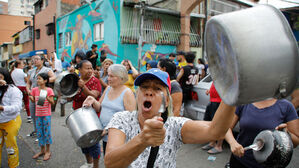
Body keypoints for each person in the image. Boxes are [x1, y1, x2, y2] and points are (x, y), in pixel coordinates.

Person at [102, 68, 236, 167]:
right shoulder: (122, 119)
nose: (149, 92)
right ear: (137, 95)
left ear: (166, 101)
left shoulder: (174, 126)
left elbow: (215, 131)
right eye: (144, 87)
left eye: (157, 89)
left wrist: (232, 93)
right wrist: (142, 140)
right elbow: (110, 163)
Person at [225, 98, 299, 168]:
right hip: (241, 161)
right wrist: (233, 143)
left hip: (271, 164)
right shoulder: (244, 101)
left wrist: (286, 134)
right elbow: (226, 128)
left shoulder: (286, 106)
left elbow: (296, 141)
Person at [83, 64, 136, 155]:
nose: (108, 78)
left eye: (111, 76)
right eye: (108, 75)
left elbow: (131, 119)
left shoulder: (127, 93)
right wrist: (92, 100)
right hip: (104, 136)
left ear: (121, 77)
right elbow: (99, 108)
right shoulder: (108, 88)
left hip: (118, 138)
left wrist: (108, 129)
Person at [72, 60, 101, 168]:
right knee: (83, 141)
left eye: (91, 68)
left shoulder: (95, 81)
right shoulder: (75, 81)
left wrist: (83, 86)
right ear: (79, 69)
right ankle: (89, 163)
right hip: (78, 115)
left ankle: (96, 166)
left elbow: (94, 95)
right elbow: (69, 96)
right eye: (87, 68)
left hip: (91, 116)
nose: (90, 70)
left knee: (93, 143)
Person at [26, 54, 55, 138]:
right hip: (32, 93)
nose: (35, 61)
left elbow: (53, 77)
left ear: (42, 60)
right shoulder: (31, 71)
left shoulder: (46, 69)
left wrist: (44, 81)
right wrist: (28, 90)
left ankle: (42, 134)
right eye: (34, 59)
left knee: (41, 113)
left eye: (37, 59)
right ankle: (37, 131)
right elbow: (28, 83)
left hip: (42, 93)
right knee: (33, 114)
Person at [0, 68, 23, 168]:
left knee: (10, 148)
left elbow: (17, 107)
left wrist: (2, 108)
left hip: (11, 121)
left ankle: (14, 166)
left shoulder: (13, 90)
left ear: (5, 77)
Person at [29, 73, 54, 161]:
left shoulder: (49, 90)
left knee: (46, 133)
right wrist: (30, 96)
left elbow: (52, 102)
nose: (37, 80)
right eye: (37, 79)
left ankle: (48, 151)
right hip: (38, 114)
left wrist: (47, 97)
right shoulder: (34, 89)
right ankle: (42, 150)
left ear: (45, 81)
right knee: (39, 132)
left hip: (46, 115)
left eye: (39, 79)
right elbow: (33, 100)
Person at [201, 82, 223, 154]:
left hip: (220, 102)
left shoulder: (228, 74)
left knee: (220, 124)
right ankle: (212, 142)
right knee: (212, 123)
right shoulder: (218, 74)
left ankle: (219, 146)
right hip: (213, 100)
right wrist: (210, 90)